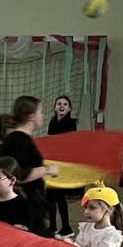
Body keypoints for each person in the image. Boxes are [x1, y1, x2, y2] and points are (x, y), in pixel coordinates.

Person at [0, 97, 58, 235]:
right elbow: (18, 174)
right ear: (31, 117)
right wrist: (47, 170)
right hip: (25, 207)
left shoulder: (18, 138)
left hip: (25, 204)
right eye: (40, 112)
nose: (42, 115)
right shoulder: (19, 140)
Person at [45, 94, 79, 235]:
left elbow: (68, 143)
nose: (62, 106)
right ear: (54, 107)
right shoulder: (52, 122)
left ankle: (66, 227)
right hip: (52, 162)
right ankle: (53, 225)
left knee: (59, 196)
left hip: (62, 164)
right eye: (59, 104)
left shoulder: (70, 123)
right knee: (50, 196)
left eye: (65, 104)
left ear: (69, 108)